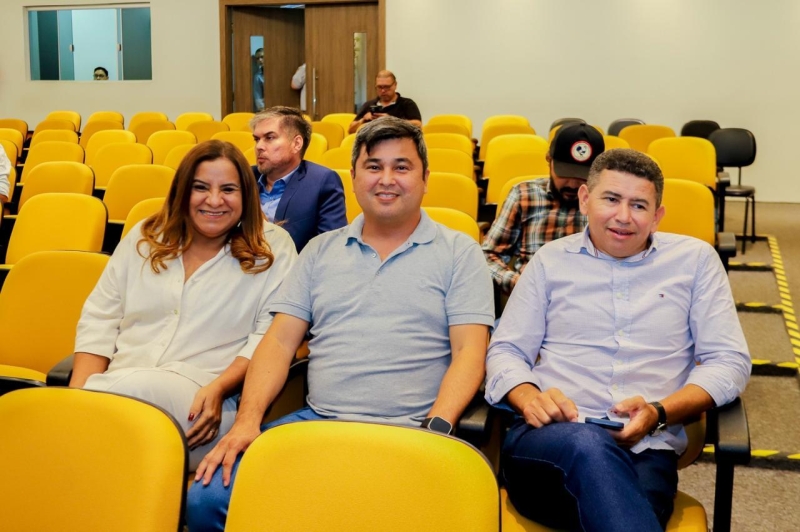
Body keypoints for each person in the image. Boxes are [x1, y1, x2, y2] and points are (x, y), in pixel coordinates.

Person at [186, 116, 495, 532]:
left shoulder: (460, 252)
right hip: (318, 423)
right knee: (207, 498)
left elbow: (470, 352)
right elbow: (278, 343)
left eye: (402, 167)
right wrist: (247, 421)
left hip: (413, 430)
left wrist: (436, 428)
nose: (387, 179)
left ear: (425, 179)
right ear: (353, 177)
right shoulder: (319, 251)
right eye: (373, 166)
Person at [484, 148, 751, 531]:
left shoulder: (695, 262)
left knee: (617, 508)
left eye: (639, 205)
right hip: (548, 443)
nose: (623, 216)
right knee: (589, 448)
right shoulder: (550, 261)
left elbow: (729, 362)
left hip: (646, 450)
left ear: (657, 215)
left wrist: (659, 412)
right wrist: (529, 398)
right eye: (611, 199)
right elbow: (506, 350)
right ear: (585, 199)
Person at [70, 140, 298, 471]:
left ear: (246, 195)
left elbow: (269, 336)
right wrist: (78, 392)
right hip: (116, 387)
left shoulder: (272, 248)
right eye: (200, 188)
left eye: (228, 190)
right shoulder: (146, 236)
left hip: (207, 403)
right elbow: (100, 318)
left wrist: (220, 387)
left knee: (120, 401)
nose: (214, 200)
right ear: (182, 191)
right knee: (97, 429)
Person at [483, 122, 604, 295]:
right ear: (549, 160)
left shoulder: (610, 204)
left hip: (592, 298)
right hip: (533, 298)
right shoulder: (524, 195)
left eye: (582, 176)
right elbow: (487, 255)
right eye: (564, 173)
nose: (572, 184)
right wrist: (517, 283)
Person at [250, 106, 347, 252]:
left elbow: (330, 248)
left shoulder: (321, 182)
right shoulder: (245, 177)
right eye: (257, 139)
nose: (259, 146)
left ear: (296, 144)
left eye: (269, 138)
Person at [348, 70, 422, 133]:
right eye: (379, 87)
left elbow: (418, 125)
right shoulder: (369, 105)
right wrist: (362, 120)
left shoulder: (407, 104)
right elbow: (351, 130)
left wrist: (392, 121)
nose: (383, 91)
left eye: (387, 87)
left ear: (395, 85)